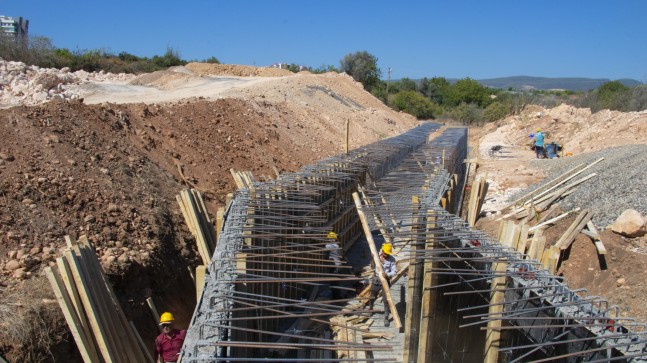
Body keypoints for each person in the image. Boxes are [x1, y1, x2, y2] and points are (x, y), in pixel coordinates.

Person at [368, 243, 397, 326]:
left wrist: (387, 275)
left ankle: (386, 317)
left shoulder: (392, 259)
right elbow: (372, 267)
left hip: (385, 280)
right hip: (377, 279)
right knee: (372, 295)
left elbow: (394, 271)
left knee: (386, 300)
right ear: (383, 251)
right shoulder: (377, 255)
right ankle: (370, 308)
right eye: (385, 253)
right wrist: (373, 258)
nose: (386, 255)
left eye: (388, 253)